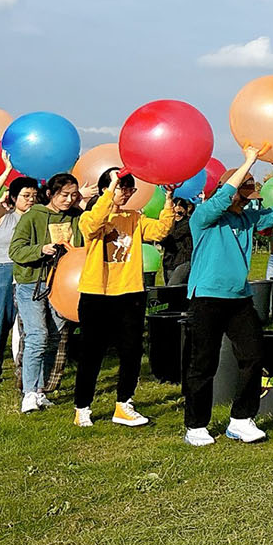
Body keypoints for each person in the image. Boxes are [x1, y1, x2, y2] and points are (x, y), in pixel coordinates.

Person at [182, 145, 273, 446]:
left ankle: (241, 420)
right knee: (203, 364)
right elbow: (222, 198)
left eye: (250, 197)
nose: (247, 201)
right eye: (243, 196)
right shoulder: (204, 217)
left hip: (239, 299)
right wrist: (249, 161)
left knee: (253, 355)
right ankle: (196, 425)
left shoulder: (246, 219)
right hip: (207, 297)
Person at [72, 167, 178, 428]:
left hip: (130, 292)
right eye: (123, 187)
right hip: (97, 292)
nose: (127, 193)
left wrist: (168, 201)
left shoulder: (135, 217)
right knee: (92, 352)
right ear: (106, 189)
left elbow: (161, 231)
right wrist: (110, 190)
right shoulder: (89, 216)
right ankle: (82, 406)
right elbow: (95, 224)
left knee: (131, 351)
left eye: (130, 188)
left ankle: (124, 404)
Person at [7, 172, 84, 413]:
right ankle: (28, 393)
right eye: (64, 195)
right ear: (50, 194)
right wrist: (41, 249)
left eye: (74, 195)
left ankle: (40, 390)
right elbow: (15, 250)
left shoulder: (77, 217)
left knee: (53, 337)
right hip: (32, 283)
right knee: (37, 336)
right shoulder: (33, 216)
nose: (69, 200)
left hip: (62, 285)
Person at [0, 166, 38, 384]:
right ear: (13, 198)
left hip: (29, 273)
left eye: (34, 196)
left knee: (30, 326)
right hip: (4, 273)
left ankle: (26, 372)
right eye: (26, 195)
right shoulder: (3, 217)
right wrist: (6, 172)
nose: (31, 200)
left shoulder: (38, 219)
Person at [159, 197, 195, 286]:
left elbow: (174, 235)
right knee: (174, 288)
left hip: (184, 260)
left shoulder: (189, 223)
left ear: (185, 210)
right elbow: (161, 239)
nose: (178, 209)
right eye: (175, 208)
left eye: (180, 211)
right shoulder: (168, 224)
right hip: (169, 262)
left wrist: (166, 231)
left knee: (172, 286)